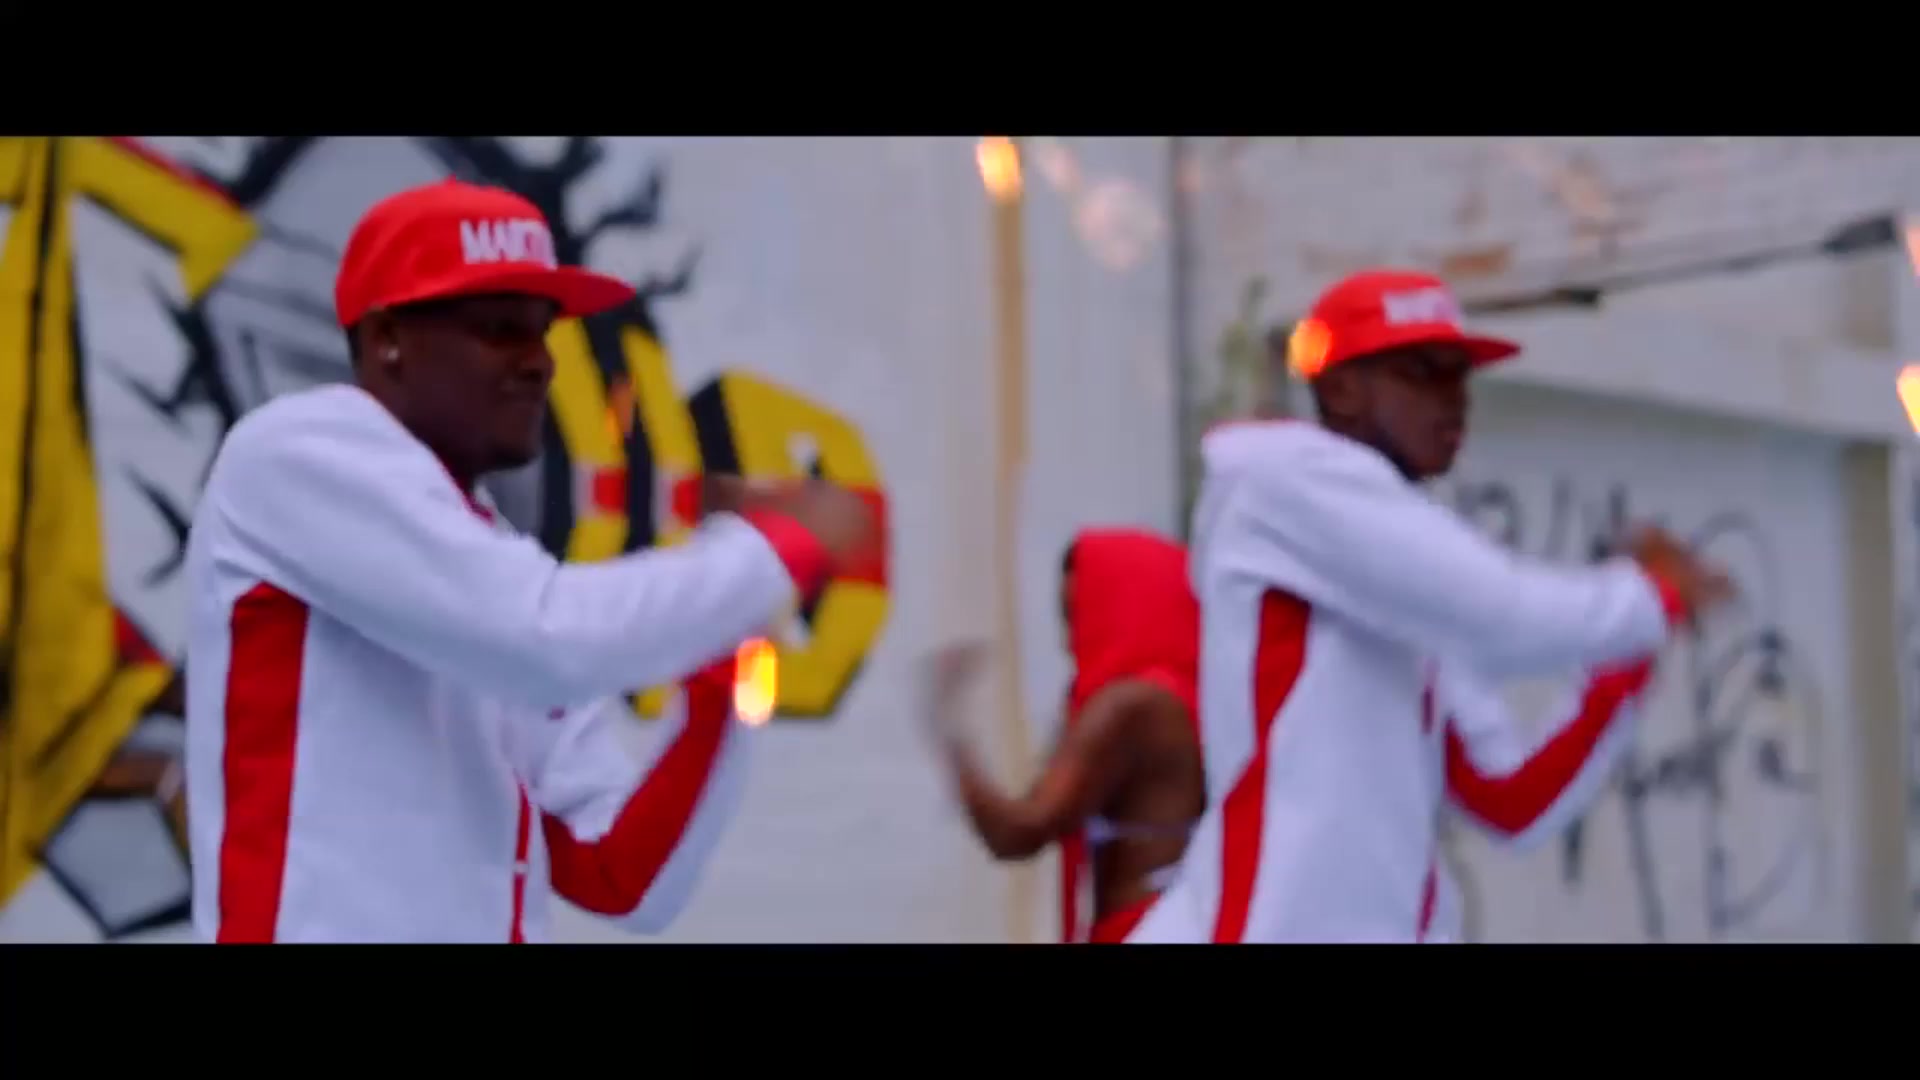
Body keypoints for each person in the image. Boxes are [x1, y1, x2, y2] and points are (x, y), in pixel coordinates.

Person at [181, 178, 876, 943]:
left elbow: (621, 876)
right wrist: (773, 545)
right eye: (499, 329)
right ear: (386, 339)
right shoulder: (299, 452)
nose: (541, 364)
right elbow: (549, 639)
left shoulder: (483, 554)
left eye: (543, 333)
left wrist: (717, 663)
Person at [1127, 267, 1733, 944]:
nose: (1455, 400)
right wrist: (1649, 596)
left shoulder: (1397, 585)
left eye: (1461, 376)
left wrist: (1628, 655)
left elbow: (1512, 799)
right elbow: (1502, 615)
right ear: (1340, 388)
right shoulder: (1286, 480)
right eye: (1423, 372)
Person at [927, 527, 1205, 943]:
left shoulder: (1127, 707)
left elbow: (1017, 832)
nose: (1068, 640)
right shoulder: (1182, 695)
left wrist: (950, 732)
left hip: (1143, 927)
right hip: (1179, 918)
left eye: (1078, 616)